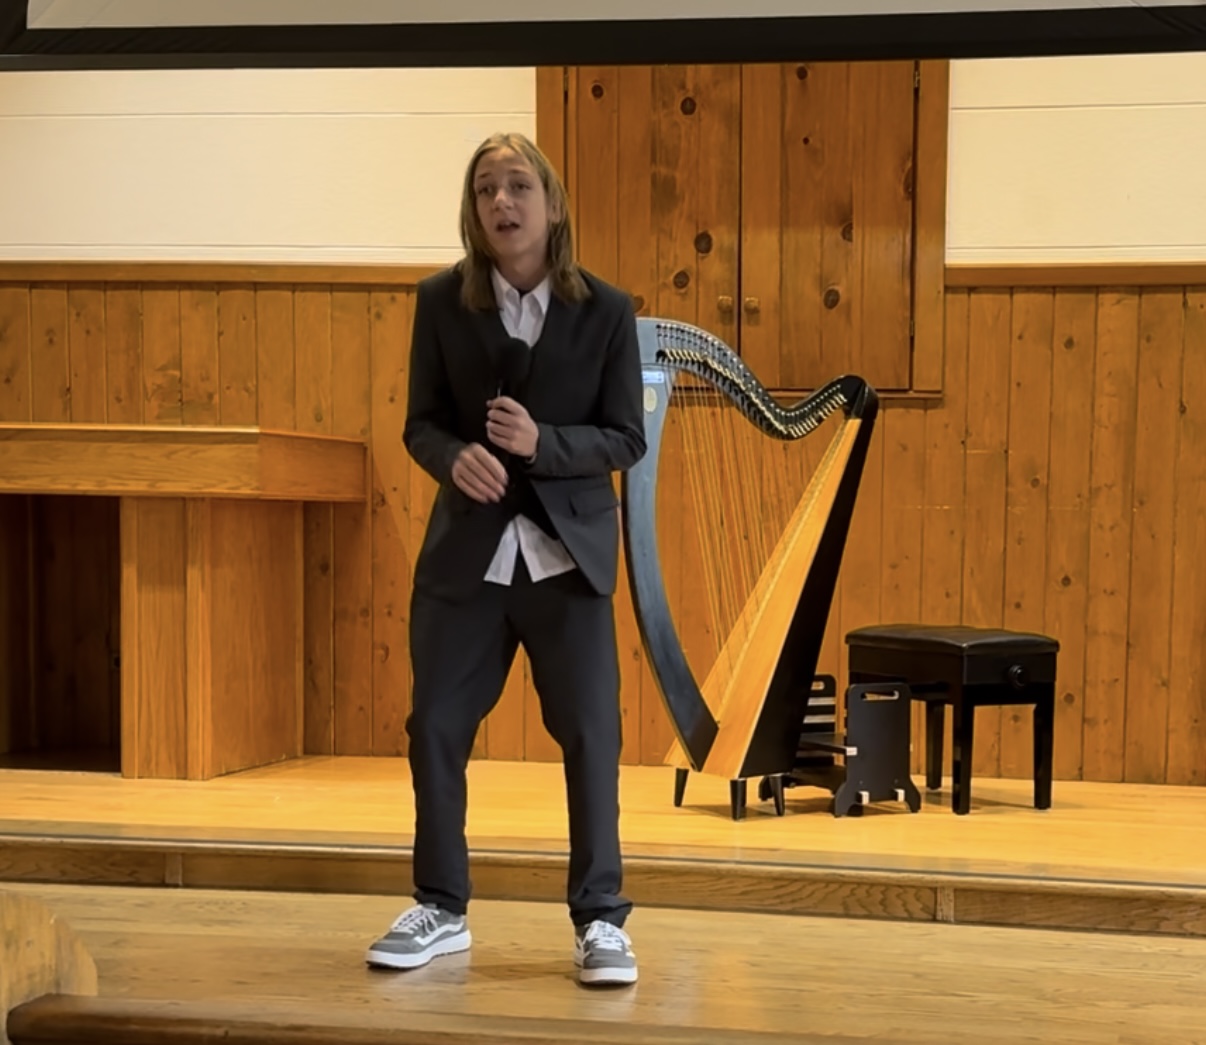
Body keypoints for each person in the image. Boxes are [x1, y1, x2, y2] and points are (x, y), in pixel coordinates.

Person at [364, 131, 646, 987]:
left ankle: (601, 918)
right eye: (486, 187)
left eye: (518, 185)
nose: (501, 201)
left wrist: (542, 442)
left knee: (591, 734)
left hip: (568, 559)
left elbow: (625, 437)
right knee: (435, 726)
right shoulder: (439, 302)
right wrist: (454, 457)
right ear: (473, 209)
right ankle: (440, 907)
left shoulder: (607, 310)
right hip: (469, 558)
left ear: (552, 204)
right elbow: (421, 422)